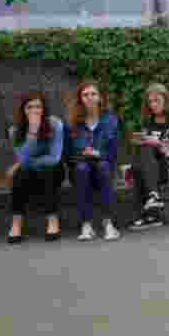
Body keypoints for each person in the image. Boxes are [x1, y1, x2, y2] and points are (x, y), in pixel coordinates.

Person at [128, 83, 169, 231]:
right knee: (140, 161)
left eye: (157, 100)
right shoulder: (148, 121)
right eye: (150, 101)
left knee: (142, 161)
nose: (153, 105)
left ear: (166, 100)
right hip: (153, 167)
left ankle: (146, 215)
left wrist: (157, 143)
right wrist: (141, 140)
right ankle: (153, 205)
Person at [6, 90, 65, 243]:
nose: (34, 111)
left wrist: (21, 164)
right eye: (29, 107)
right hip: (29, 175)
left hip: (53, 172)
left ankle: (53, 220)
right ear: (23, 110)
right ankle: (16, 223)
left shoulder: (55, 124)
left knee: (46, 170)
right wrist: (32, 133)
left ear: (44, 108)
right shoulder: (14, 131)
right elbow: (23, 160)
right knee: (19, 175)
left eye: (38, 106)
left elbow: (54, 158)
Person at [66, 81, 122, 241]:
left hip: (103, 169)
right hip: (81, 170)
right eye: (85, 95)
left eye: (93, 94)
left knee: (103, 166)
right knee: (82, 169)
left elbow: (114, 151)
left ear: (100, 98)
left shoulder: (110, 120)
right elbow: (68, 154)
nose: (89, 98)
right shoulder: (73, 123)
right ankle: (86, 225)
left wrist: (98, 153)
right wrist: (83, 154)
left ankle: (108, 223)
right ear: (80, 99)